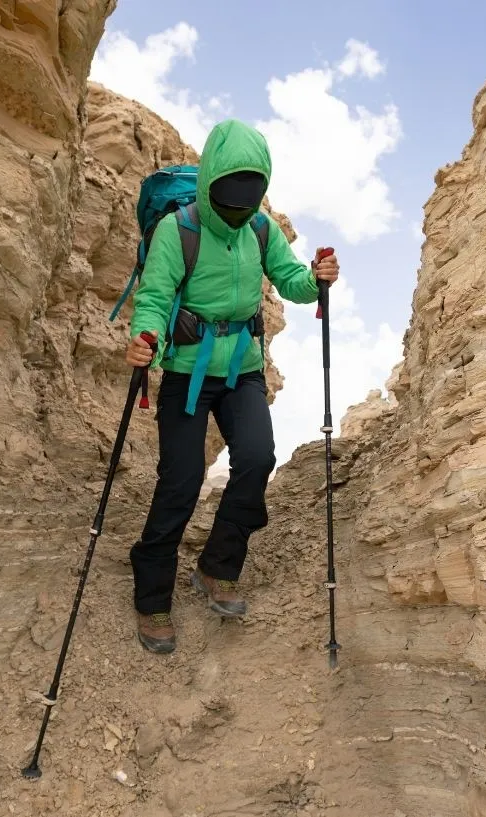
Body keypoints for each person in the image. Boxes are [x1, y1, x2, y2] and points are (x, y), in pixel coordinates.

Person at [123, 119, 338, 654]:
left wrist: (318, 279)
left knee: (257, 457)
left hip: (242, 368)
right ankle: (152, 595)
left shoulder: (260, 230)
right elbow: (154, 294)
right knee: (181, 477)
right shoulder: (180, 229)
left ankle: (217, 566)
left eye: (250, 194)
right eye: (229, 196)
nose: (238, 207)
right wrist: (143, 335)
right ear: (211, 183)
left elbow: (291, 281)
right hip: (187, 371)